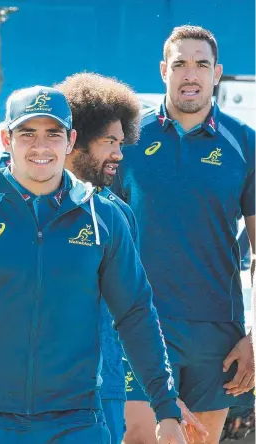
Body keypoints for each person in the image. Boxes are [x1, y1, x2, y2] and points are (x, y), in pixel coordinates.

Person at [0, 86, 186, 444]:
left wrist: (165, 409)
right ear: (5, 139)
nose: (41, 147)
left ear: (70, 140)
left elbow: (135, 314)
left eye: (53, 134)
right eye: (27, 134)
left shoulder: (104, 218)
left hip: (77, 421)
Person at [111, 26, 255, 444]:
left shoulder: (244, 143)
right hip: (139, 320)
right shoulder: (129, 138)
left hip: (217, 330)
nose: (190, 74)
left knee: (198, 442)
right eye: (180, 64)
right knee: (140, 438)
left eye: (201, 64)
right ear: (163, 70)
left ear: (217, 73)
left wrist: (254, 336)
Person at [59, 72, 209, 444]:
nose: (118, 154)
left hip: (103, 391)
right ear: (76, 138)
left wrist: (164, 399)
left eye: (121, 142)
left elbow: (134, 313)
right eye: (110, 141)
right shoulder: (14, 207)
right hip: (24, 399)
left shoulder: (118, 214)